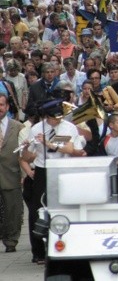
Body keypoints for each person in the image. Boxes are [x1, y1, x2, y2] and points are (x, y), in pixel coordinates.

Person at [22, 98, 86, 263]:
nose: (57, 120)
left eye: (59, 116)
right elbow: (26, 157)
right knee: (37, 208)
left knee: (66, 206)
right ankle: (38, 251)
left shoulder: (68, 127)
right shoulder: (36, 128)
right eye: (54, 117)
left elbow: (72, 149)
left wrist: (49, 144)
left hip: (63, 168)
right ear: (46, 116)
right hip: (43, 169)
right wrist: (29, 146)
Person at [0, 94, 23, 253]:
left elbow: (23, 151)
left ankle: (11, 241)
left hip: (11, 173)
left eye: (1, 105)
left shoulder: (18, 126)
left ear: (7, 107)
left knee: (13, 211)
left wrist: (24, 173)